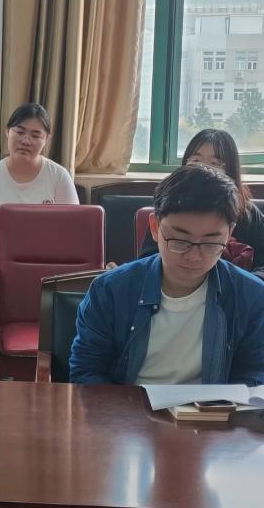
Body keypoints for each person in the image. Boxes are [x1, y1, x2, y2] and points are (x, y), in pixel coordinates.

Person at [70, 164, 264, 385]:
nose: (194, 256)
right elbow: (86, 372)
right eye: (180, 241)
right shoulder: (110, 290)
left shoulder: (252, 296)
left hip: (210, 407)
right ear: (155, 227)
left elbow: (254, 376)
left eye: (210, 243)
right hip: (129, 404)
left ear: (229, 234)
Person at [137, 129, 264, 280]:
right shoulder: (170, 208)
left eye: (215, 163)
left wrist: (240, 285)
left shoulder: (249, 214)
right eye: (196, 161)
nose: (204, 169)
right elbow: (147, 262)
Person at [0, 103, 78, 270]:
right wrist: (6, 263)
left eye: (35, 135)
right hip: (1, 264)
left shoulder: (59, 176)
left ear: (46, 139)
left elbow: (71, 230)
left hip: (49, 265)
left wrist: (45, 265)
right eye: (20, 132)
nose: (26, 141)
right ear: (7, 132)